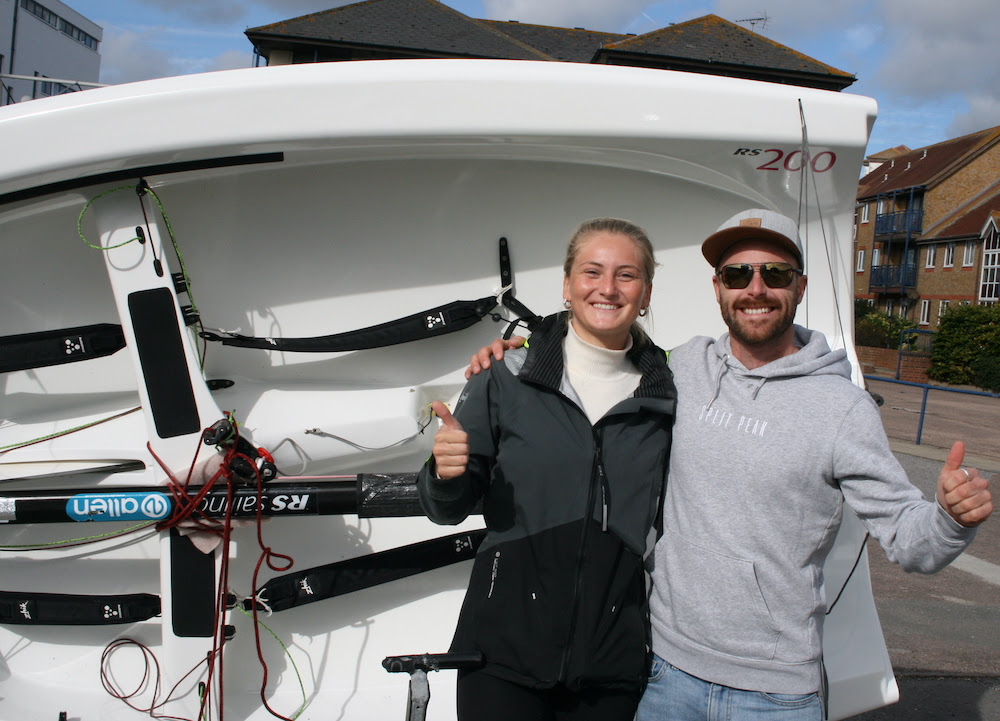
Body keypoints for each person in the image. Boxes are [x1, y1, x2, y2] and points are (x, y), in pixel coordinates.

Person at [466, 208, 993, 721]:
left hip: (775, 694)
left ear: (800, 287)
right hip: (664, 675)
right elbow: (599, 349)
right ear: (718, 288)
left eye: (775, 274)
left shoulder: (843, 409)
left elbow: (911, 541)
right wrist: (519, 351)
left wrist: (950, 518)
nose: (755, 289)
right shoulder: (681, 370)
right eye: (738, 274)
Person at [416, 218, 676, 721]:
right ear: (566, 285)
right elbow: (445, 510)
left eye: (626, 275)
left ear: (645, 293)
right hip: (500, 656)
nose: (607, 288)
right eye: (592, 272)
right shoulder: (506, 374)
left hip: (611, 662)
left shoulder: (667, 392)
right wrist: (443, 474)